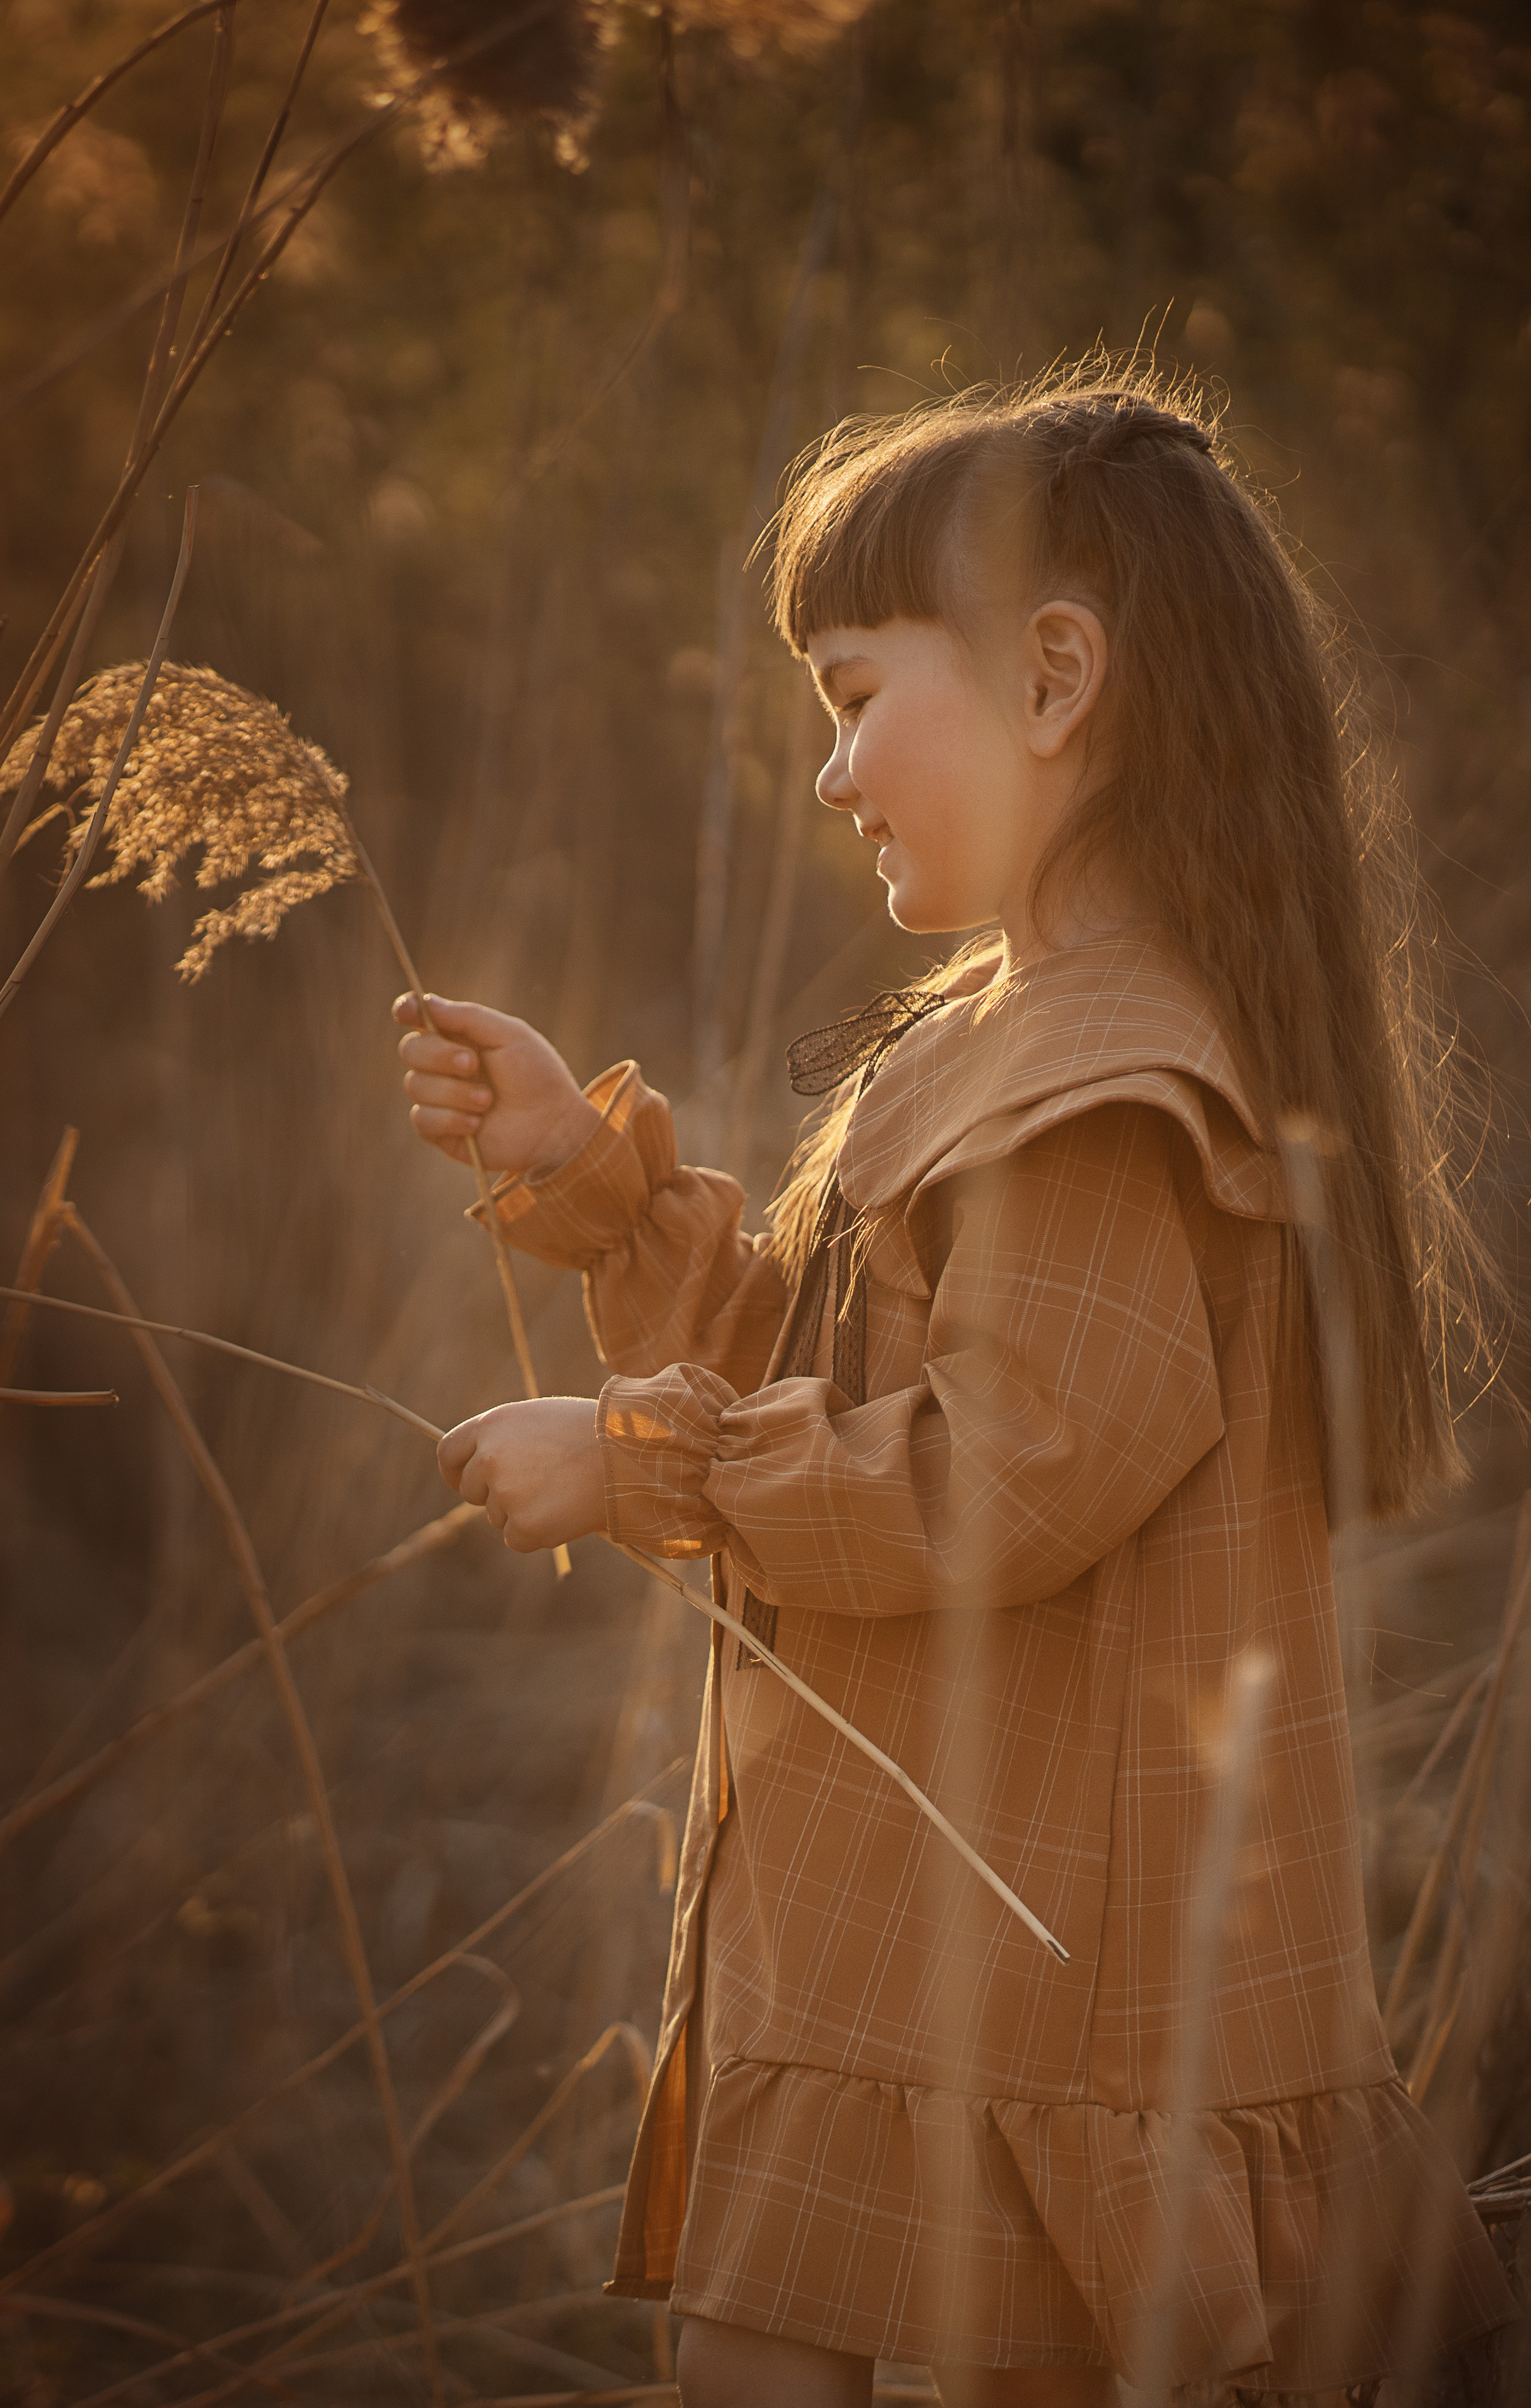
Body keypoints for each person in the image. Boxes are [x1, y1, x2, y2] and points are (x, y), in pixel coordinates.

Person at [393, 372, 1513, 2405]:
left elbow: (1006, 1471)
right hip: (916, 1967)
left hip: (1020, 2008)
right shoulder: (1005, 1036)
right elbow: (845, 1397)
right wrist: (586, 1176)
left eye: (848, 693)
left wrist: (641, 1461)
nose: (828, 773)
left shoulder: (1102, 1082)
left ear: (1056, 677)